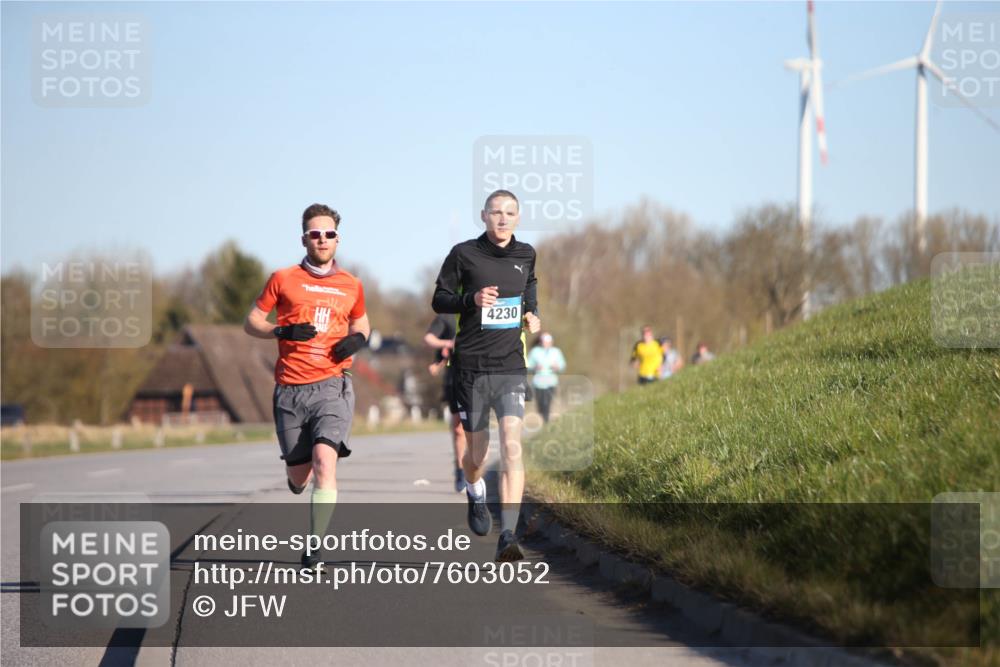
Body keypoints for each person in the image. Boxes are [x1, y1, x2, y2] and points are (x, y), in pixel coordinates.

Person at [244, 203, 370, 571]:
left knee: (324, 462)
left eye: (329, 233)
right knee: (300, 475)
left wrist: (357, 341)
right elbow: (251, 321)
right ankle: (294, 475)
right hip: (290, 389)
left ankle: (315, 548)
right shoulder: (282, 278)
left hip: (333, 386)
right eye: (315, 233)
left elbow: (363, 324)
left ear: (337, 238)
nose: (322, 239)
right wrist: (279, 330)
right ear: (304, 238)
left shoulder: (352, 284)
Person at [431, 189, 541, 562]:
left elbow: (529, 286)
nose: (503, 218)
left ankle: (508, 532)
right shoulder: (464, 254)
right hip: (472, 368)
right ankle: (474, 490)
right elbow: (440, 298)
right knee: (477, 455)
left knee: (512, 444)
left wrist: (531, 313)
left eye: (510, 213)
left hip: (510, 365)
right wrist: (470, 300)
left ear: (518, 217)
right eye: (496, 212)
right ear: (484, 215)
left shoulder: (526, 253)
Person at [424, 313, 467, 492]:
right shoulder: (447, 316)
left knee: (476, 429)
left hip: (478, 376)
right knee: (458, 429)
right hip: (454, 379)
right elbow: (429, 338)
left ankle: (474, 468)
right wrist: (447, 344)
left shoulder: (479, 311)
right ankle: (460, 470)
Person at [526, 332, 566, 423]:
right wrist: (535, 367)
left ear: (551, 342)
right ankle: (544, 418)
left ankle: (546, 422)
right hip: (538, 383)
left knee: (547, 403)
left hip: (551, 382)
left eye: (548, 342)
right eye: (544, 342)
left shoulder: (556, 352)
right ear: (541, 342)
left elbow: (563, 366)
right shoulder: (535, 351)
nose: (546, 344)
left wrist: (557, 367)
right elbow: (528, 366)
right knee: (540, 405)